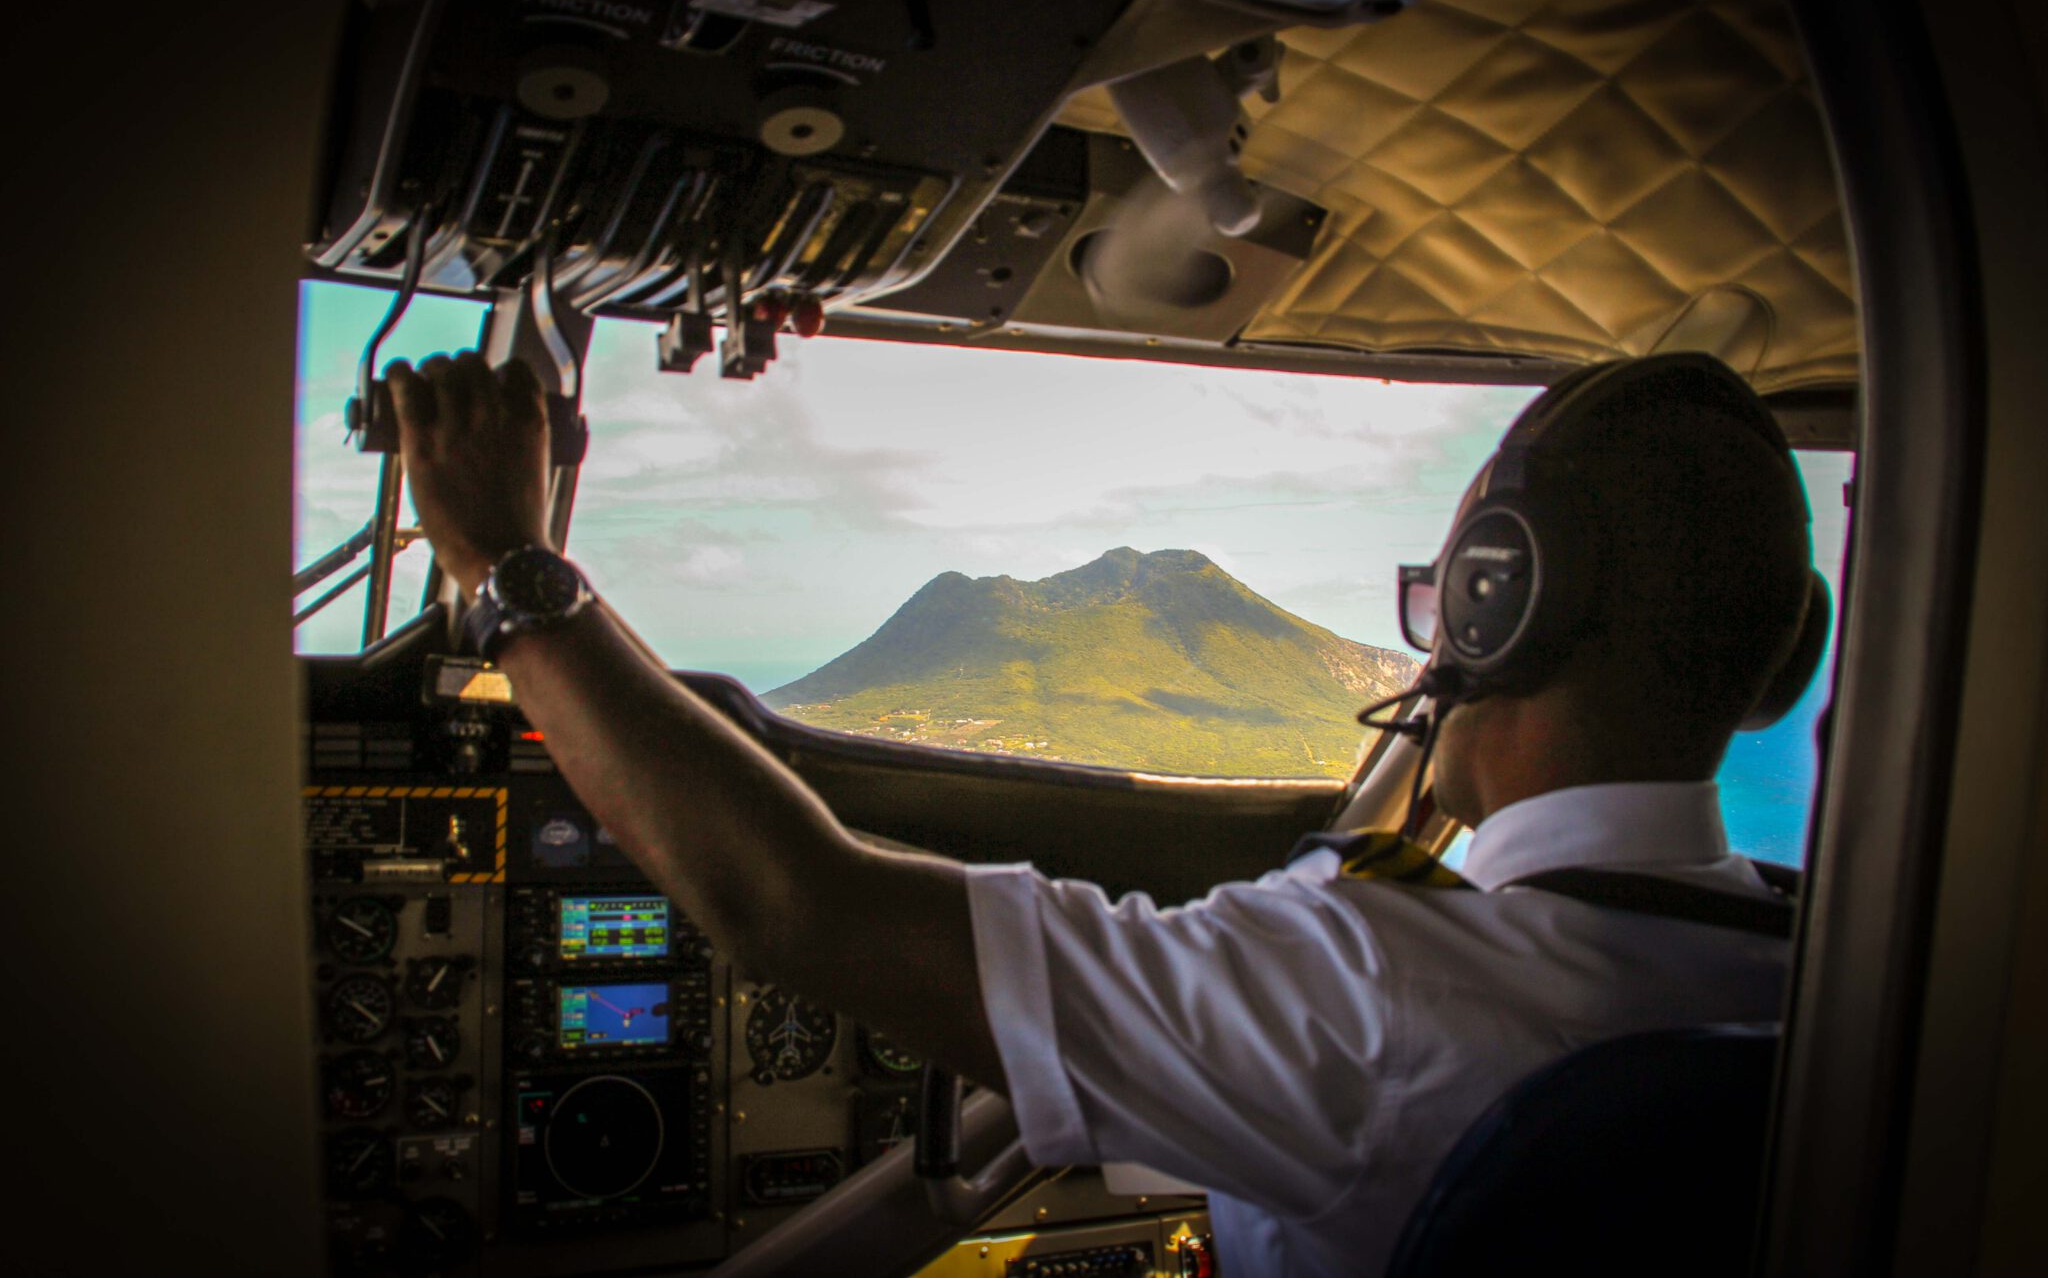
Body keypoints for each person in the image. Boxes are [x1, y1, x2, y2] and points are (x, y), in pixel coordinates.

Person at [387, 348, 1820, 1277]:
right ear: (1779, 656)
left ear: (1500, 607)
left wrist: (510, 563)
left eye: (1448, 594)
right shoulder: (1825, 969)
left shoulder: (1367, 994)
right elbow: (1360, 865)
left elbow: (794, 903)